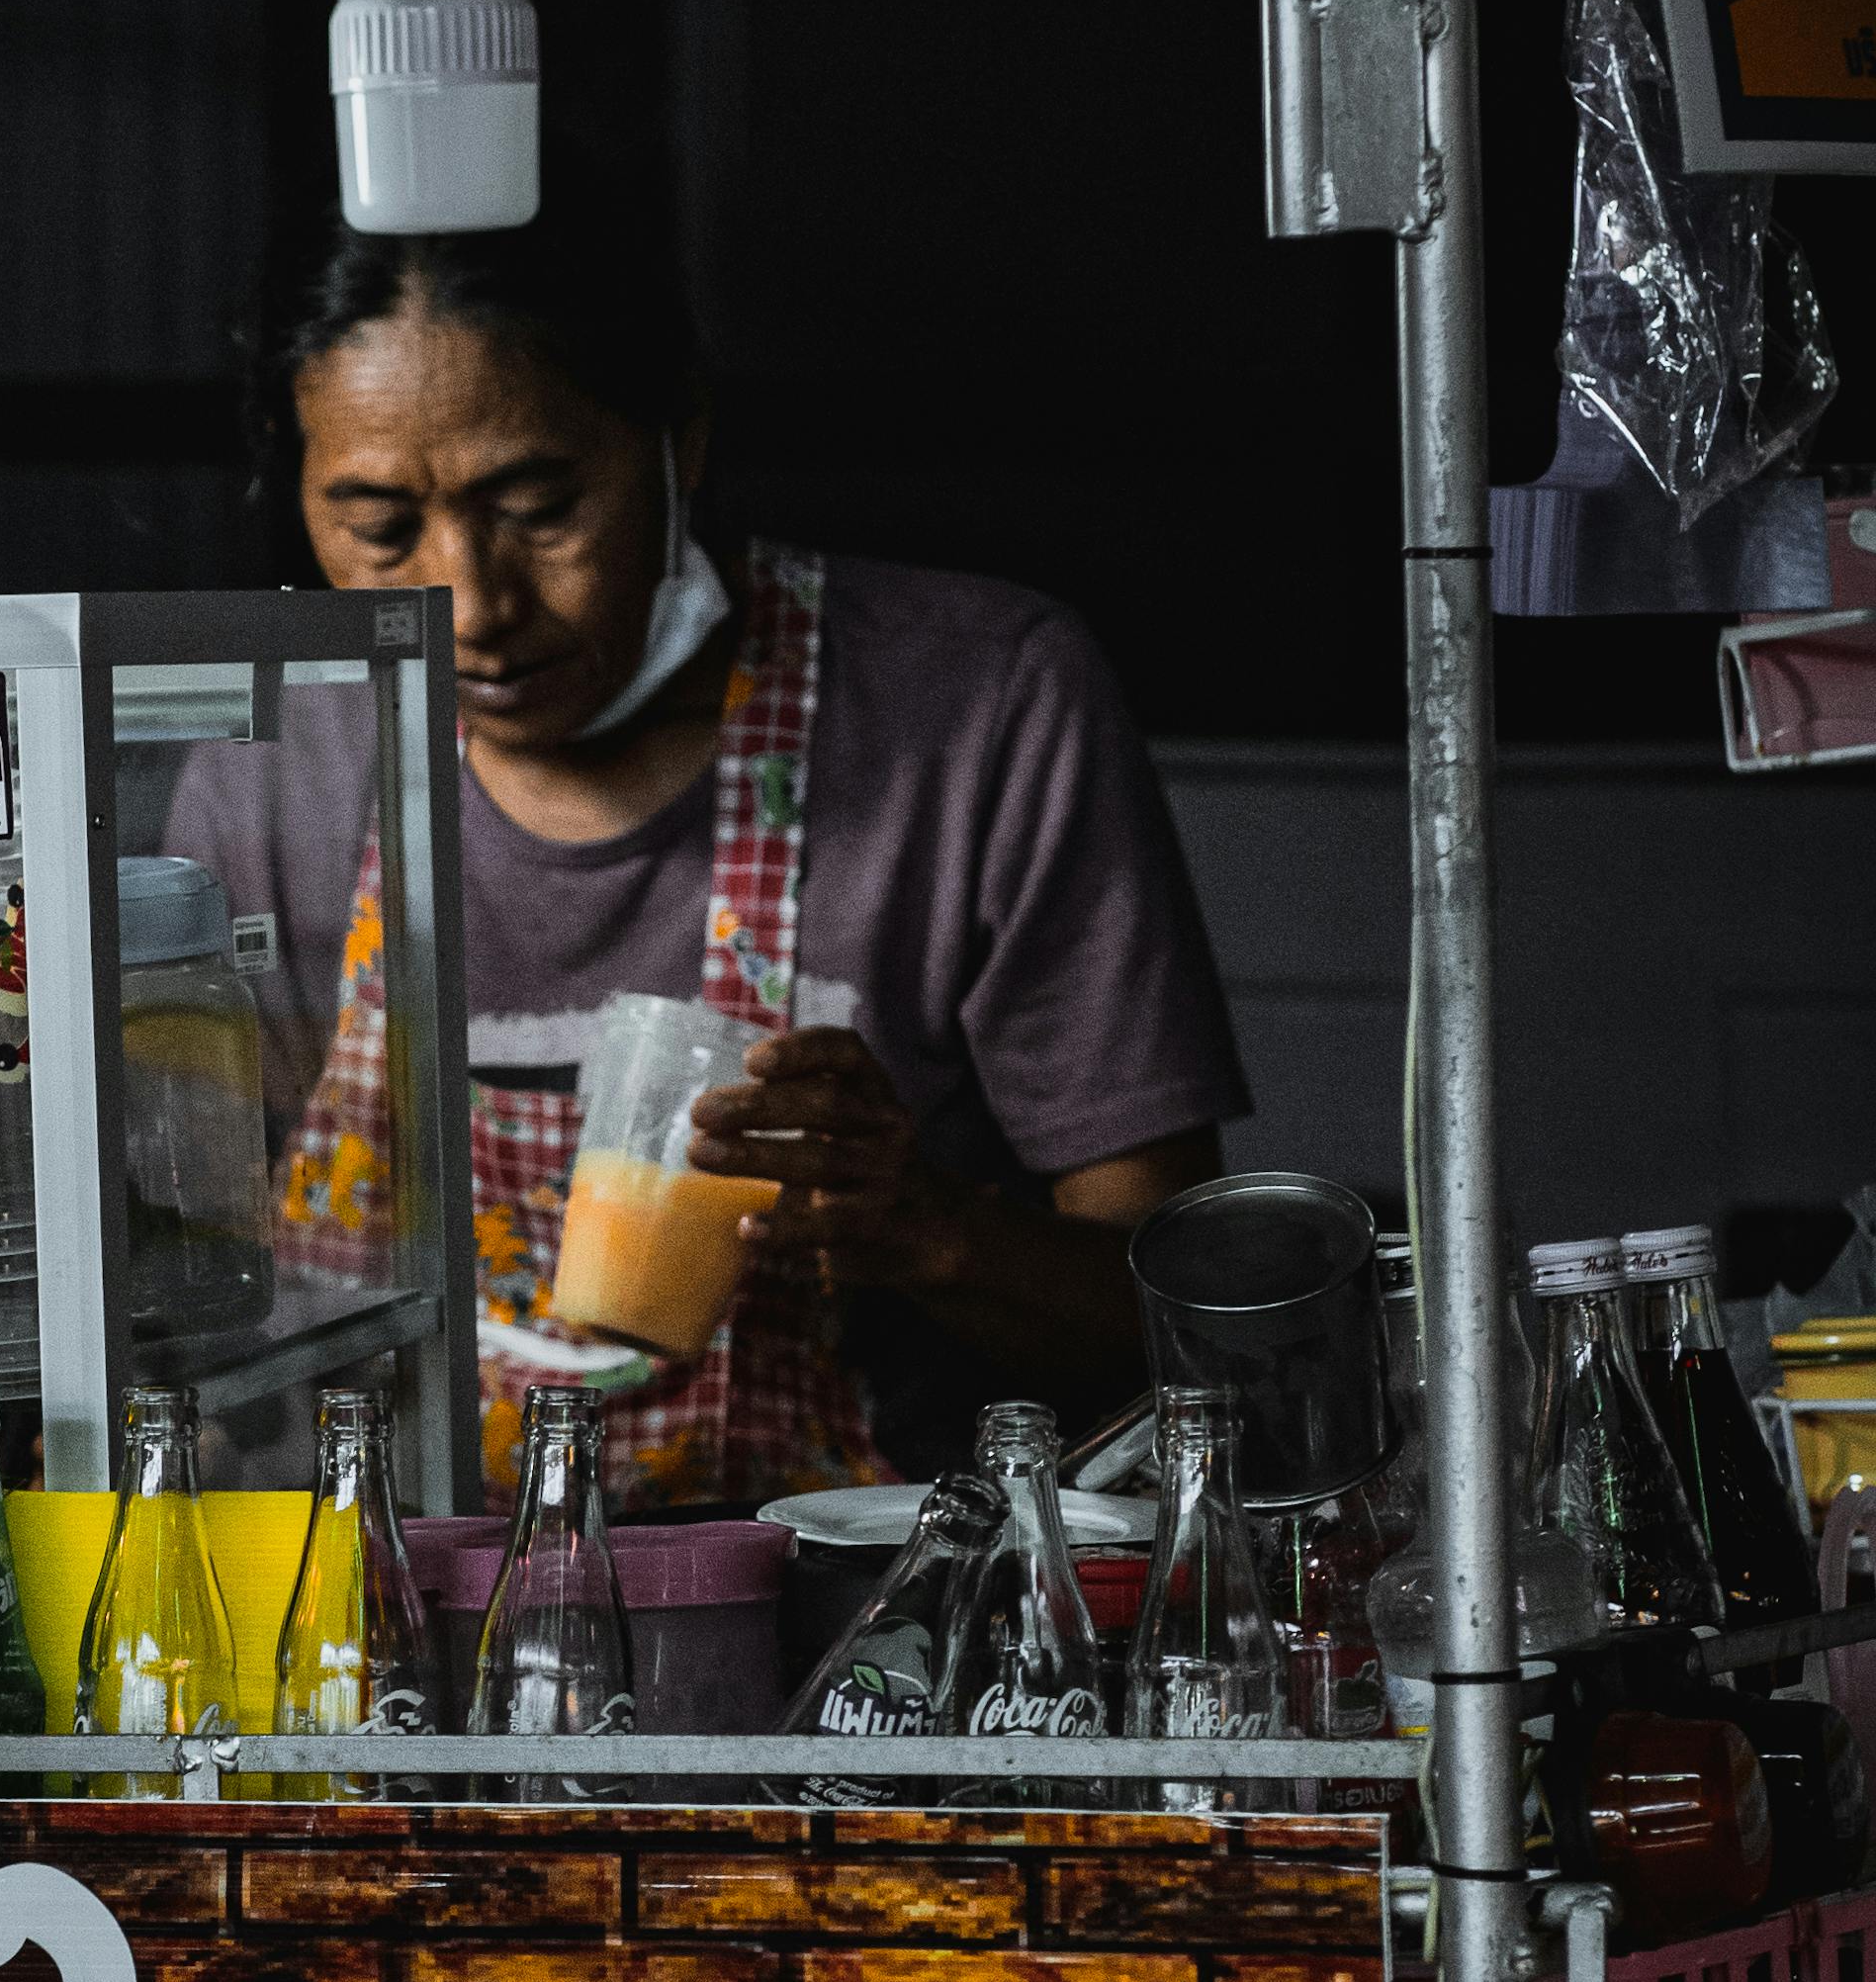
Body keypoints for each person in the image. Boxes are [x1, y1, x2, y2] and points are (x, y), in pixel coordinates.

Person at [164, 225, 1246, 1507]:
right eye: (381, 526)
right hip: (381, 1620)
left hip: (853, 1643)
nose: (472, 601)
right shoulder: (276, 755)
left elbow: (1190, 1342)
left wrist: (926, 1229)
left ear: (677, 445)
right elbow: (187, 1281)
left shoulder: (971, 708)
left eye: (537, 508)